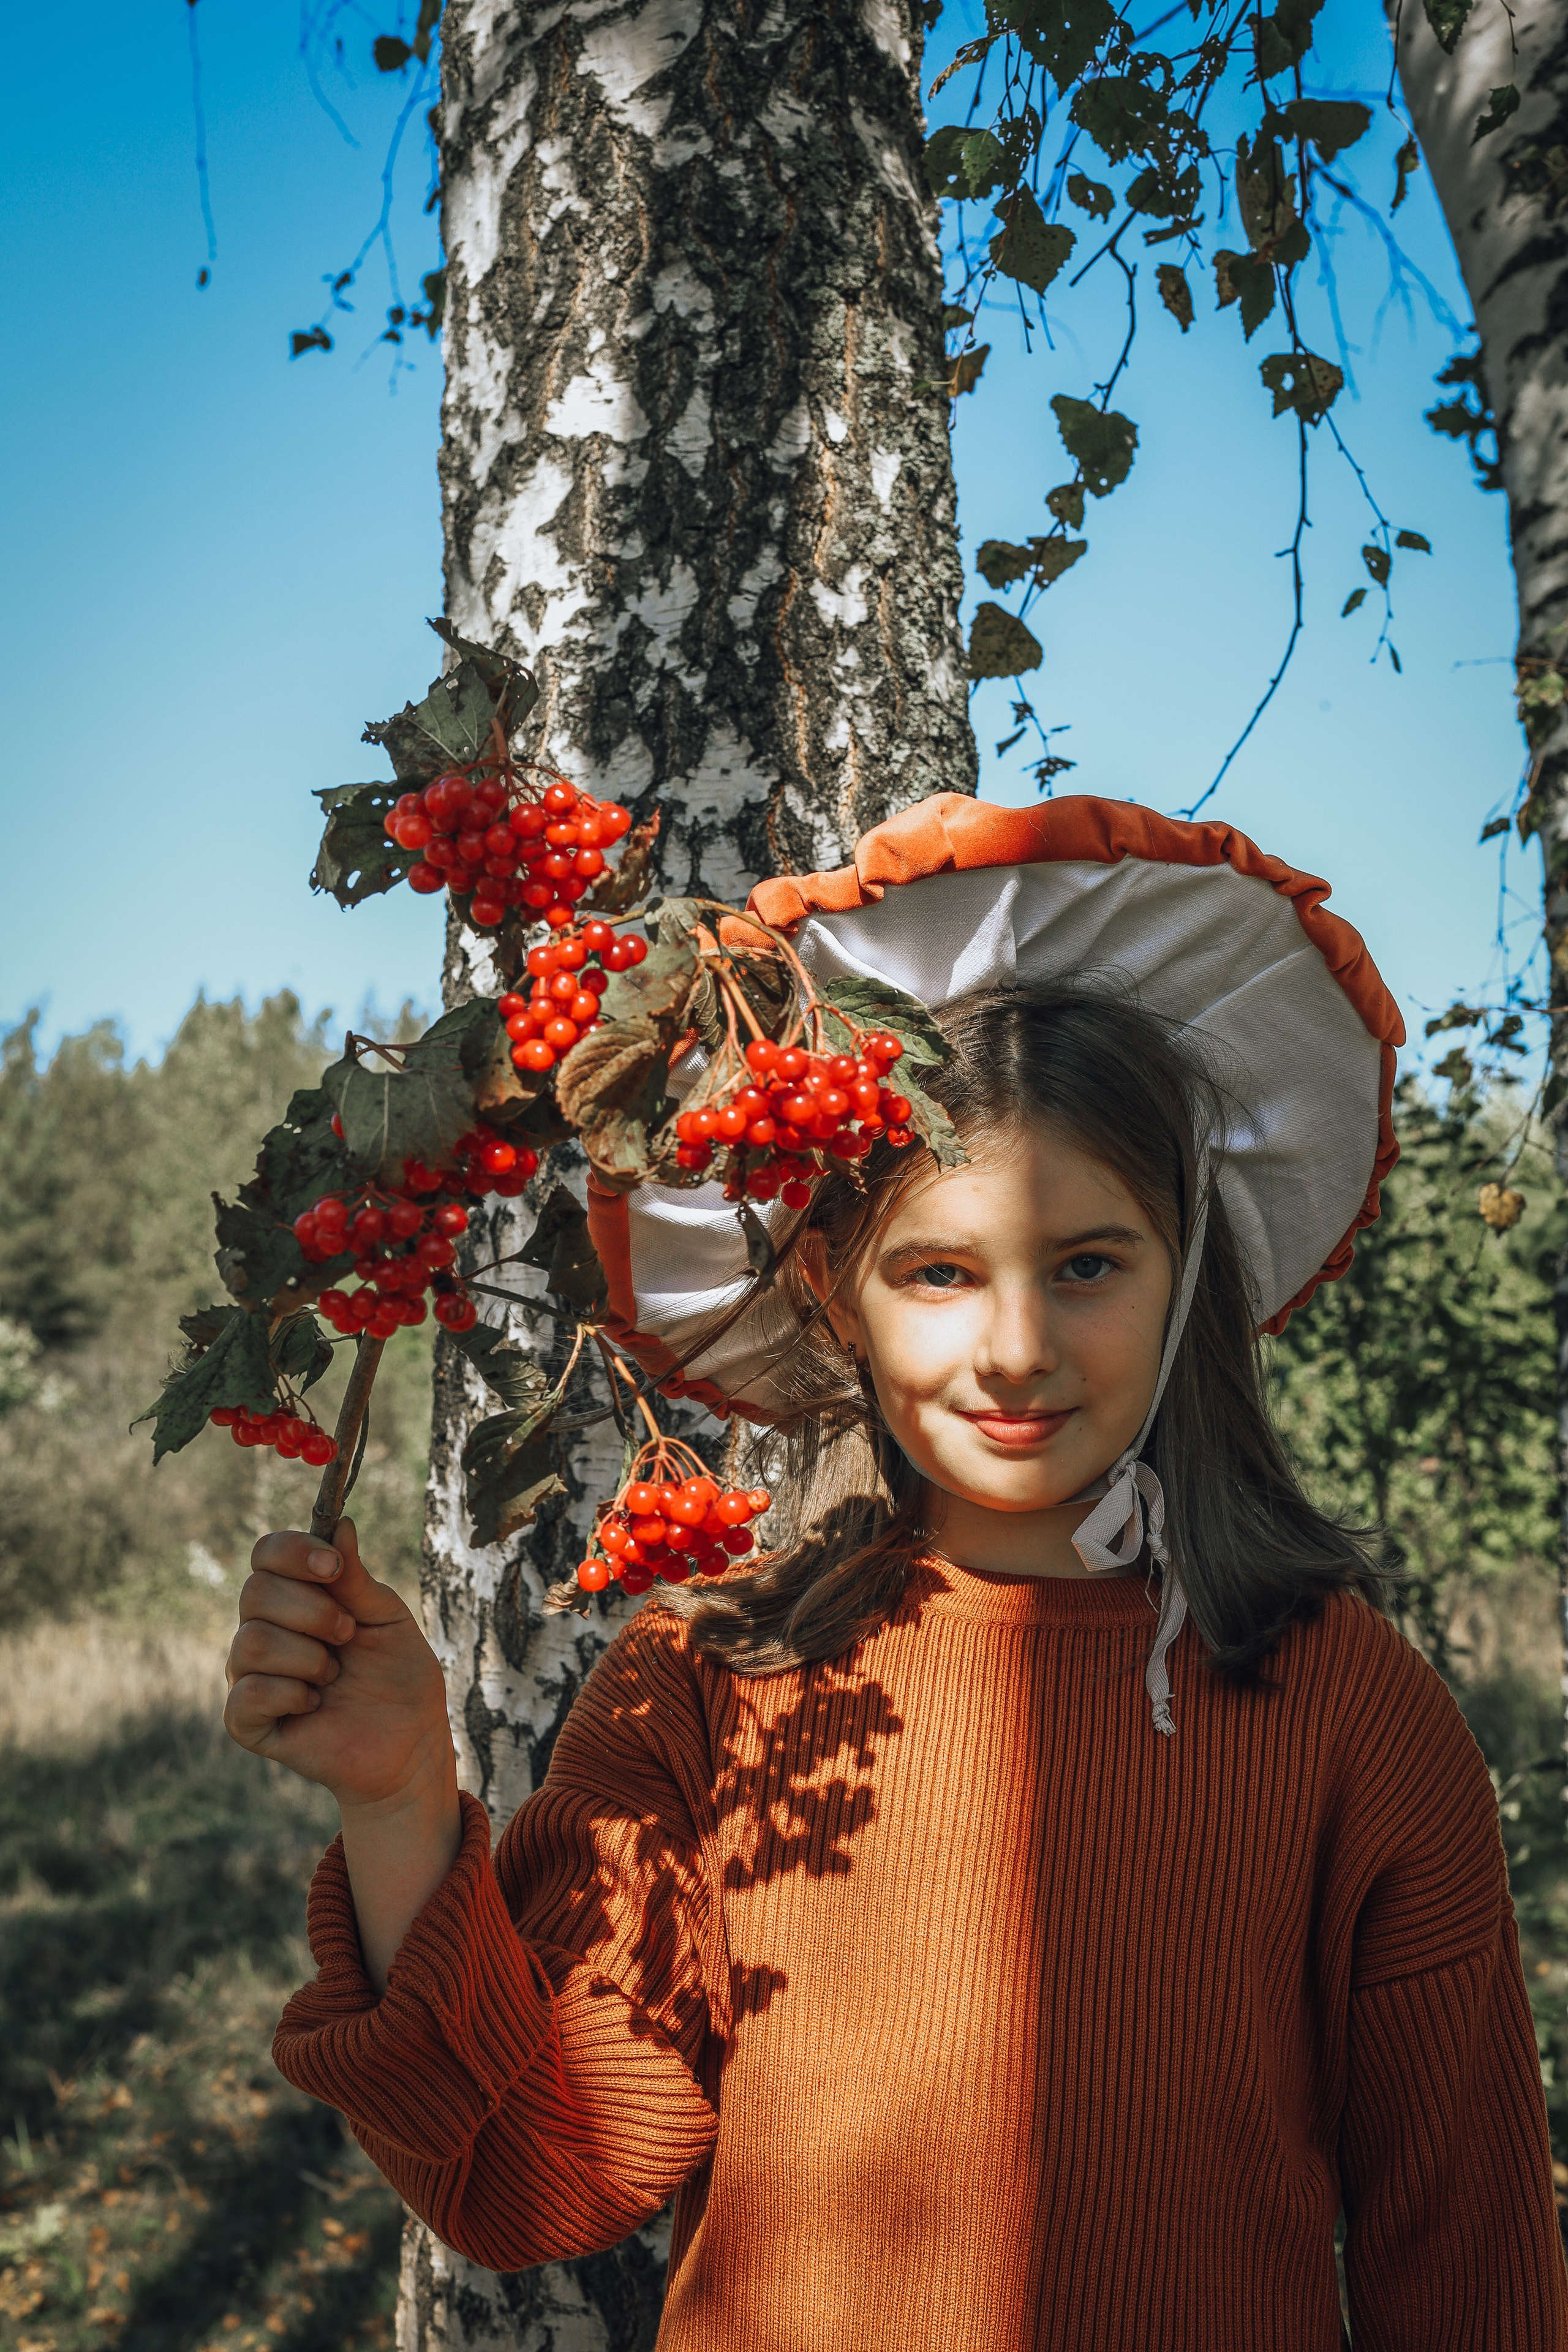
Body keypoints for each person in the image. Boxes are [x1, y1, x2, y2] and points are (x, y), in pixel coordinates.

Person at [225, 796, 1566, 2350]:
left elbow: (1462, 2252)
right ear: (833, 1291)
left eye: (1085, 1265)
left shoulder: (1342, 1706)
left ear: (1186, 1267)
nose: (1014, 1348)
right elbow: (537, 2178)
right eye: (939, 1271)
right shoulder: (704, 1690)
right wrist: (396, 1805)